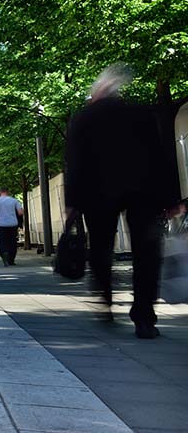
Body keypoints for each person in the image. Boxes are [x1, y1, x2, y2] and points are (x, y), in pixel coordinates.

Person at [64, 64, 180, 339]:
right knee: (147, 254)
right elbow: (163, 155)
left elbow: (75, 163)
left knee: (101, 250)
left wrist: (72, 201)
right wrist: (171, 198)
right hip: (144, 192)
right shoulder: (141, 113)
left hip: (97, 195)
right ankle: (144, 318)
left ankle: (105, 301)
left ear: (97, 91)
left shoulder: (83, 118)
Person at [0, 187, 24, 266]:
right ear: (8, 192)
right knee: (12, 241)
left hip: (1, 224)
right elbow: (20, 212)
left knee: (2, 240)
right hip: (12, 223)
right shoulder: (14, 200)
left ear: (0, 192)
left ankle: (4, 253)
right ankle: (11, 259)